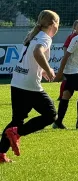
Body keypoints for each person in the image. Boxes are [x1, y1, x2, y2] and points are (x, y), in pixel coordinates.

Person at [0, 10, 59, 163]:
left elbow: (31, 58)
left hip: (17, 82)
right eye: (58, 23)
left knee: (17, 120)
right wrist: (48, 70)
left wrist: (42, 71)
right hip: (29, 85)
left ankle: (0, 153)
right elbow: (37, 53)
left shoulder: (34, 35)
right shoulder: (45, 37)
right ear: (53, 24)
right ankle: (17, 133)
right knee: (51, 115)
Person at [58, 19, 78, 100]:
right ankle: (61, 95)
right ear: (74, 27)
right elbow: (65, 46)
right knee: (66, 78)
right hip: (71, 62)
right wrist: (67, 56)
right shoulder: (72, 37)